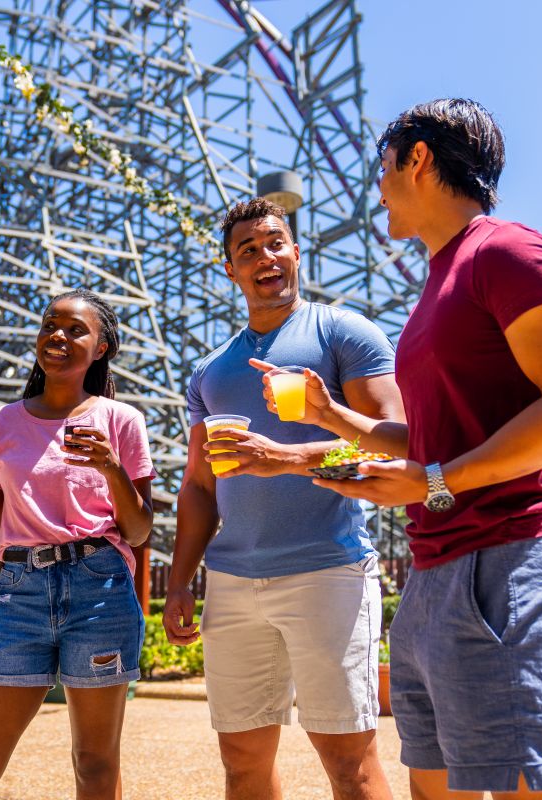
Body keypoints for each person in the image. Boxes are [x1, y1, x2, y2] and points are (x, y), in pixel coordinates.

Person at [284, 99, 542, 799]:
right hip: (433, 575)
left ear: (418, 157)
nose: (376, 187)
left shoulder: (508, 250)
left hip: (511, 563)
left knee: (533, 787)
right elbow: (436, 440)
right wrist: (332, 416)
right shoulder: (437, 282)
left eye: (384, 166)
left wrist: (433, 481)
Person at [164, 197, 402, 800]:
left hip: (328, 569)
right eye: (248, 251)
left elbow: (393, 448)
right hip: (232, 580)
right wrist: (178, 582)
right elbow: (198, 486)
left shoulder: (342, 332)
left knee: (349, 760)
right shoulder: (211, 370)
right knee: (241, 760)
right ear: (231, 270)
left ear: (296, 252)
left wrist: (287, 458)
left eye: (275, 243)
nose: (265, 257)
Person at [0, 289, 155, 800]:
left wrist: (111, 467)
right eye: (49, 325)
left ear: (101, 348)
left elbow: (140, 531)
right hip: (19, 595)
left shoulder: (121, 422)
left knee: (95, 767)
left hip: (100, 590)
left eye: (76, 329)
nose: (58, 336)